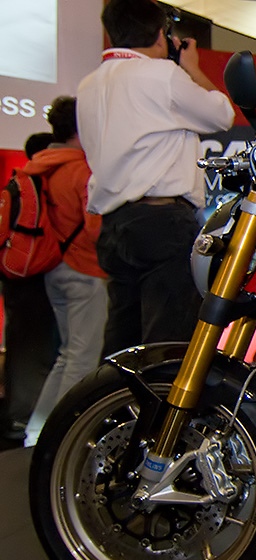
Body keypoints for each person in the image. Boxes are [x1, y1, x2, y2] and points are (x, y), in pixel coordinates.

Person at [77, 0, 234, 356]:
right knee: (167, 343)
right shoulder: (162, 75)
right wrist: (191, 67)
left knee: (121, 344)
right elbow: (221, 114)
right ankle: (160, 396)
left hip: (114, 224)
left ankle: (116, 395)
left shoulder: (89, 84)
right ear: (160, 35)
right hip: (163, 222)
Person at [21, 97, 107, 448]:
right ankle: (60, 438)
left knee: (67, 356)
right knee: (81, 360)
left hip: (52, 267)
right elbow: (95, 229)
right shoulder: (81, 170)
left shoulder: (39, 165)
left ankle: (37, 431)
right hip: (85, 269)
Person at [0, 133, 60, 446]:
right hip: (41, 273)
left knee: (20, 344)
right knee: (38, 349)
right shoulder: (48, 183)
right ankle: (27, 419)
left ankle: (16, 416)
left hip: (16, 273)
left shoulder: (19, 182)